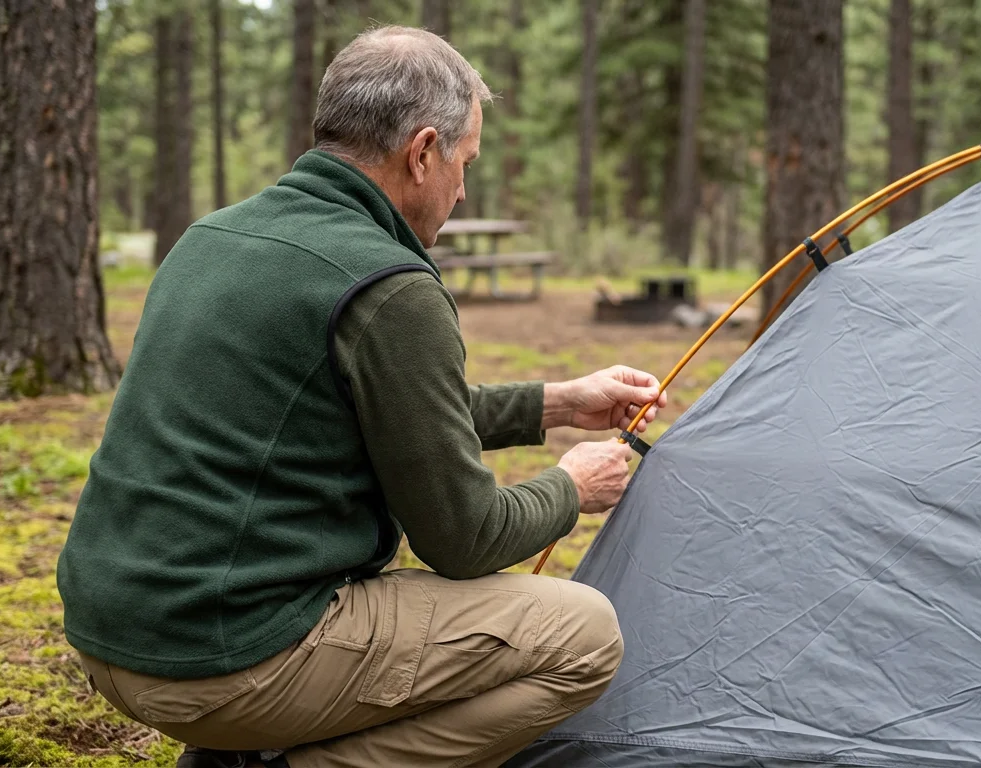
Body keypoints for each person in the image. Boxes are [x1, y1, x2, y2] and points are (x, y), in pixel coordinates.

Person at [56, 26, 665, 768]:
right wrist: (571, 487)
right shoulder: (389, 287)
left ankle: (237, 748)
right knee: (582, 635)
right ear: (422, 152)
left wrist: (559, 403)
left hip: (113, 633)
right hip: (225, 658)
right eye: (464, 163)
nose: (463, 189)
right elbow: (464, 538)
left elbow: (388, 414)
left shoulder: (213, 236)